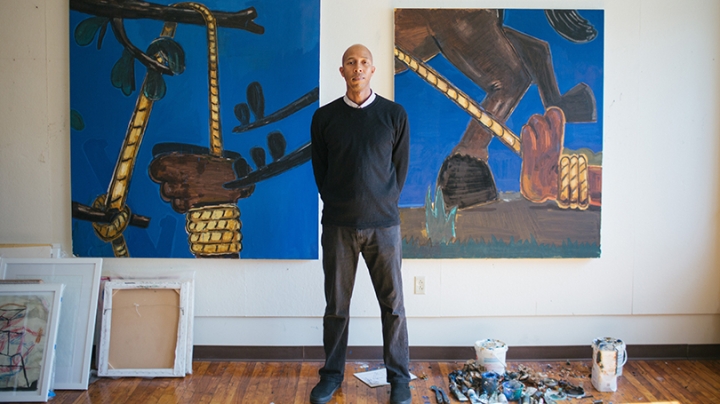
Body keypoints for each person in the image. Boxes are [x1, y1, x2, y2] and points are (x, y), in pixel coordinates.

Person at [309, 44, 412, 404]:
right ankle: (332, 375)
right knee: (336, 306)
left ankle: (399, 378)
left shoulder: (394, 115)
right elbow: (321, 173)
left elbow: (399, 171)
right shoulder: (324, 118)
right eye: (351, 62)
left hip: (384, 226)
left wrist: (380, 202)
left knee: (393, 306)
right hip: (339, 225)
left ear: (373, 70)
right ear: (342, 72)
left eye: (364, 62)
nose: (358, 68)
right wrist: (342, 202)